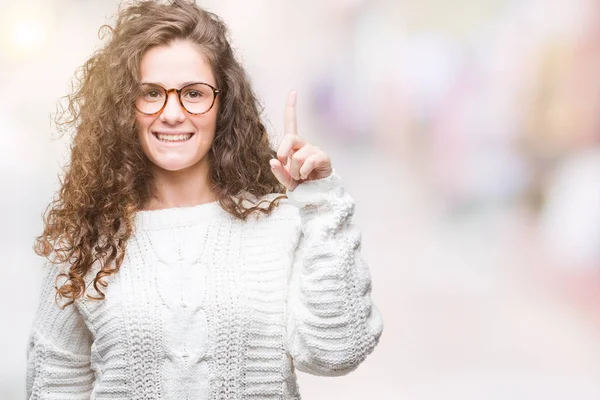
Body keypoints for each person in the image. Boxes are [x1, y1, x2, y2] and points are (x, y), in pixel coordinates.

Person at [26, 0, 383, 398]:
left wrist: (321, 201)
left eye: (194, 94)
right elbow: (55, 385)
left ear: (223, 103)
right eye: (151, 93)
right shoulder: (86, 238)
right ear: (123, 106)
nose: (173, 113)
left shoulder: (280, 223)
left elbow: (336, 353)